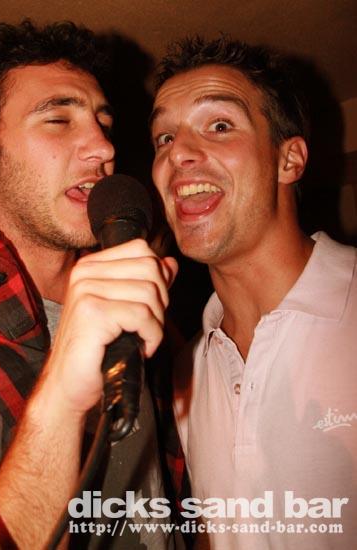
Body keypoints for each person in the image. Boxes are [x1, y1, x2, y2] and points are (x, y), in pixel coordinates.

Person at [0, 20, 180, 548]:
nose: (102, 147)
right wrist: (61, 399)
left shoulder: (132, 294)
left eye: (103, 122)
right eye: (57, 119)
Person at [150, 36, 357, 549]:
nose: (178, 153)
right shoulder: (186, 370)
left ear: (289, 160)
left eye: (220, 125)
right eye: (164, 137)